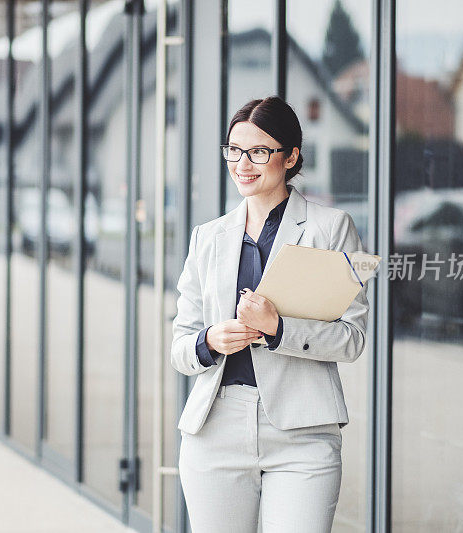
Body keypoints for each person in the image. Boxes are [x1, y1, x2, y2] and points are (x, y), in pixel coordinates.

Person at [171, 96, 369, 533]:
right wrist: (209, 341)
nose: (243, 163)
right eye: (233, 150)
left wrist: (279, 329)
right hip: (215, 427)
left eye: (259, 152)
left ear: (291, 155)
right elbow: (180, 347)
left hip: (303, 430)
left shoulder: (331, 228)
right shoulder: (207, 238)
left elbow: (352, 338)